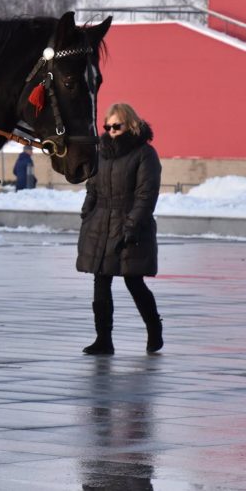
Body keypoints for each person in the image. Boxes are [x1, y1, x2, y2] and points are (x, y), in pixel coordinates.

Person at [76, 103, 163, 355]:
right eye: (108, 126)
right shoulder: (101, 151)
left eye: (117, 126)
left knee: (133, 280)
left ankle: (154, 329)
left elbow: (146, 195)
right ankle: (103, 339)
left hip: (130, 224)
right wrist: (87, 211)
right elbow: (92, 186)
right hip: (100, 223)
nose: (112, 131)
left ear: (130, 124)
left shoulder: (145, 154)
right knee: (100, 280)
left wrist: (132, 225)